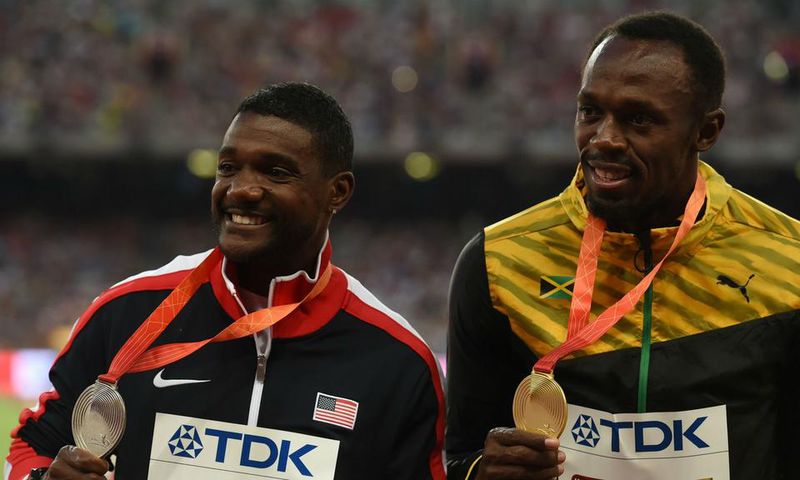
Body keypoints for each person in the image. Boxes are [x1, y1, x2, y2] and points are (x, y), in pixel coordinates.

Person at [6, 83, 446, 480]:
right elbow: (33, 445)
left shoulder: (398, 361)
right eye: (229, 167)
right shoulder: (128, 312)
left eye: (276, 172)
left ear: (338, 192)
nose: (240, 189)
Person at [445, 11, 800, 480]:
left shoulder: (789, 261)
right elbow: (458, 455)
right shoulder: (498, 262)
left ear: (706, 131)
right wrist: (479, 471)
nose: (605, 139)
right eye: (590, 112)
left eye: (638, 119)